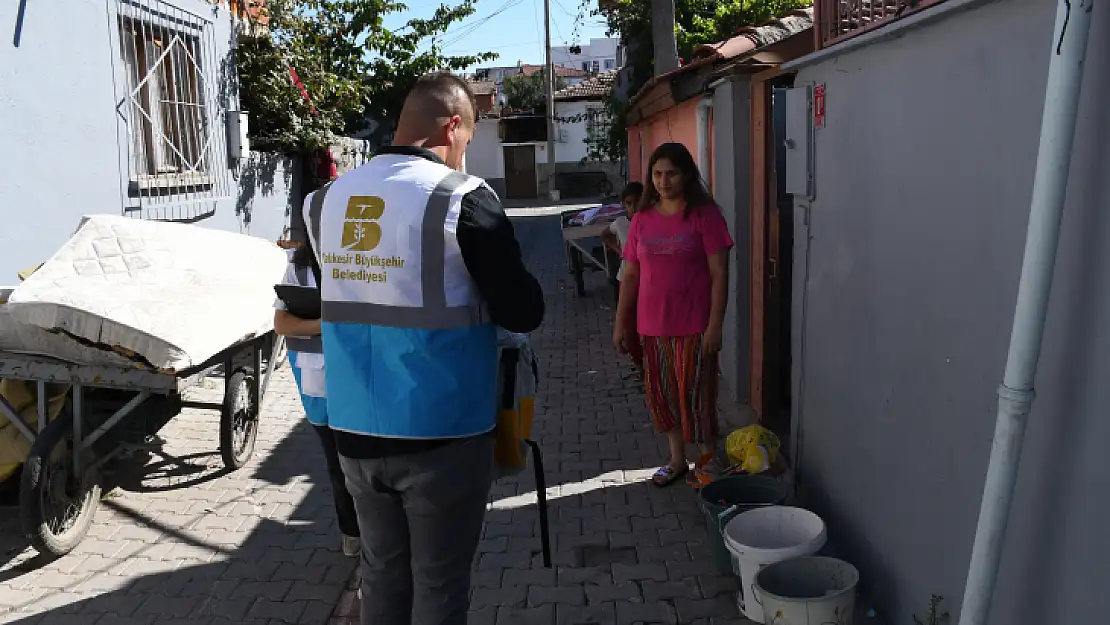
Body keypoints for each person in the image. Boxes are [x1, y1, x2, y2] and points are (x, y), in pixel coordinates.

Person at [302, 72, 544, 625]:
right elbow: (523, 310)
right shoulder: (462, 198)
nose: (466, 151)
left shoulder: (322, 203)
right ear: (453, 126)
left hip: (355, 428)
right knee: (439, 583)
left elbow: (346, 292)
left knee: (381, 573)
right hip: (445, 430)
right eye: (469, 138)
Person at [612, 142, 733, 489]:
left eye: (672, 173)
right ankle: (677, 460)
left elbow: (719, 274)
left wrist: (716, 324)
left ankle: (709, 462)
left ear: (686, 175)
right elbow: (630, 275)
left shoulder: (705, 215)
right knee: (662, 395)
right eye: (657, 174)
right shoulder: (642, 220)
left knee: (697, 395)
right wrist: (621, 322)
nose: (664, 181)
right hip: (652, 327)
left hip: (695, 326)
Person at [272, 241, 361, 556]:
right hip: (318, 383)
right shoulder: (299, 266)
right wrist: (326, 326)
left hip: (363, 377)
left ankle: (379, 532)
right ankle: (352, 532)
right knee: (337, 463)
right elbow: (282, 324)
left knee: (369, 461)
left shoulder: (367, 260)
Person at [602, 182, 644, 371]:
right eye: (628, 203)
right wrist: (619, 250)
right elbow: (605, 234)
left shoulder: (648, 222)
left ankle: (648, 362)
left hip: (647, 281)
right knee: (628, 324)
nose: (633, 207)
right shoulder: (620, 224)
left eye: (637, 202)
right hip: (625, 278)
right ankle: (638, 361)